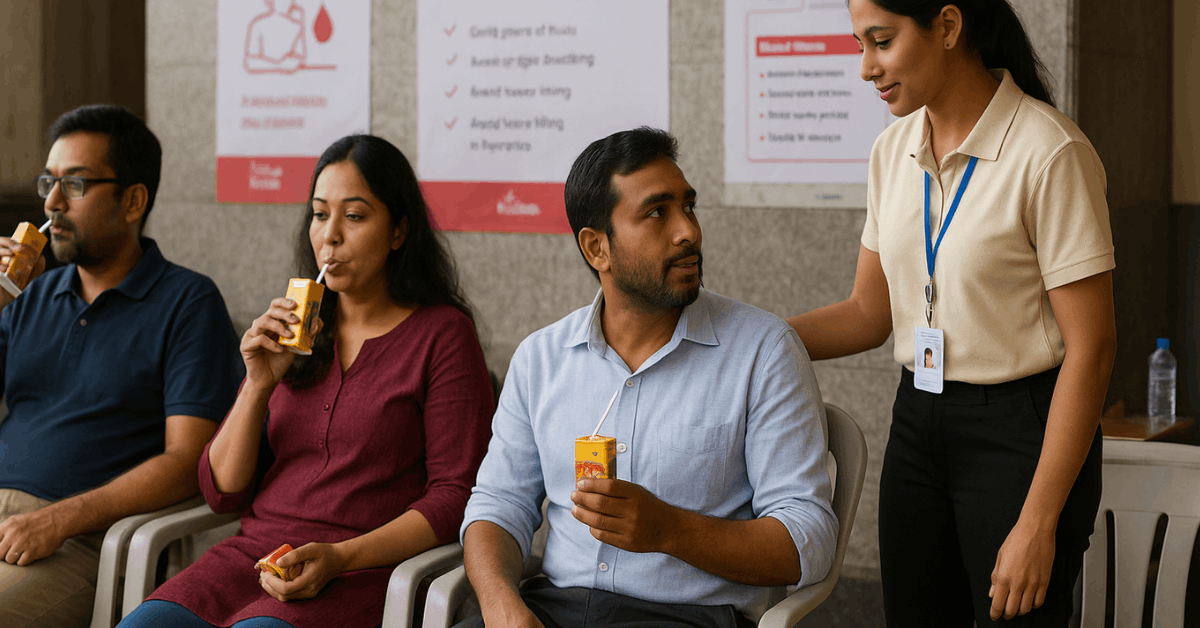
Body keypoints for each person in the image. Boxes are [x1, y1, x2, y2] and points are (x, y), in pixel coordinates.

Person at [787, 1, 1115, 626]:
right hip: (918, 421)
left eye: (880, 41)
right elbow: (868, 313)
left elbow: (1092, 350)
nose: (865, 67)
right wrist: (754, 339)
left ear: (947, 26)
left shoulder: (1049, 152)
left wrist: (1038, 520)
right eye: (859, 44)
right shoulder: (892, 151)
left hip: (1021, 434)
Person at [459, 127, 836, 628]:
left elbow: (806, 539)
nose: (688, 231)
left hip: (688, 618)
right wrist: (503, 605)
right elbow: (497, 506)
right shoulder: (542, 359)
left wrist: (668, 530)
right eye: (657, 212)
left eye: (689, 206)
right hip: (553, 609)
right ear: (598, 249)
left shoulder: (762, 351)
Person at [119, 135, 494, 628]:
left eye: (354, 216)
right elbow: (222, 493)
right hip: (252, 555)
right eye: (319, 214)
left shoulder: (442, 334)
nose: (330, 235)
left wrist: (342, 557)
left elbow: (454, 496)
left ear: (399, 231)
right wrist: (257, 384)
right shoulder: (298, 332)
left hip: (362, 567)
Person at [0, 104, 243, 627]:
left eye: (76, 185)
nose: (52, 202)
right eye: (49, 181)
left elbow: (188, 461)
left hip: (82, 539)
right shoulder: (28, 295)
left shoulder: (187, 302)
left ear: (133, 200)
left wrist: (60, 519)